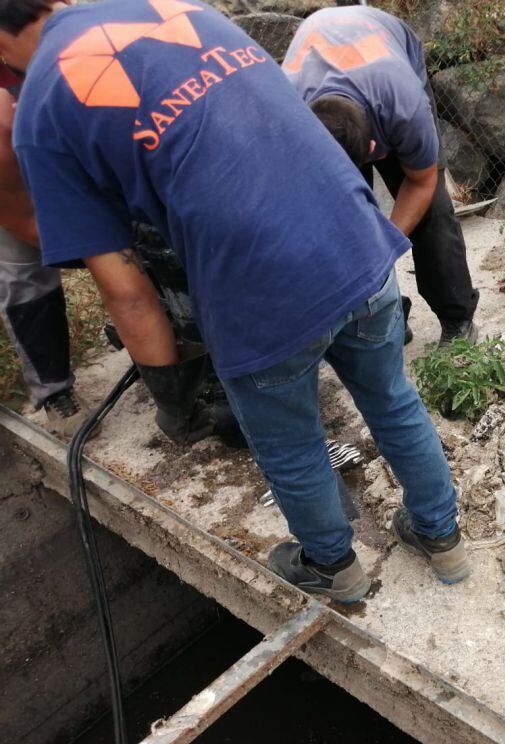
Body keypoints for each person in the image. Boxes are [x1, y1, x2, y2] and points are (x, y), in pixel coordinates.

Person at [3, 0, 469, 602]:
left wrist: (173, 399)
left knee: (291, 442)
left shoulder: (41, 111)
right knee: (393, 400)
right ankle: (444, 541)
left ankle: (335, 568)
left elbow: (127, 292)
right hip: (358, 245)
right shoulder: (177, 8)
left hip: (257, 296)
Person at [282, 4, 480, 346]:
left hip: (389, 49)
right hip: (322, 52)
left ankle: (457, 317)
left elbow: (421, 181)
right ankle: (387, 313)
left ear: (377, 144)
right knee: (346, 218)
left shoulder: (404, 104)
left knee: (431, 211)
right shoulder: (288, 110)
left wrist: (385, 246)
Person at [0, 74, 88, 437]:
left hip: (60, 92)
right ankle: (54, 389)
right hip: (6, 136)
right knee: (21, 269)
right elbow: (19, 217)